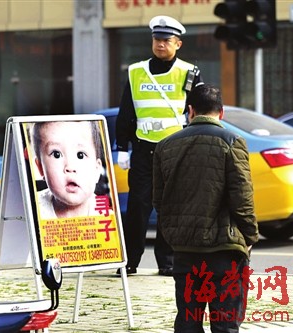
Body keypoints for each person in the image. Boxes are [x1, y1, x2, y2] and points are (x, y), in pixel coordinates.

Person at [153, 84, 258, 333]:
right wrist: (250, 236)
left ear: (190, 110)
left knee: (188, 322)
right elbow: (242, 199)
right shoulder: (233, 142)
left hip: (185, 251)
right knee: (225, 324)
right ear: (221, 113)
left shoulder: (165, 146)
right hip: (225, 251)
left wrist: (174, 235)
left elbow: (159, 201)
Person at [115, 15, 203, 276]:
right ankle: (129, 262)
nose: (160, 44)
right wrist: (121, 147)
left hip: (176, 150)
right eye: (157, 39)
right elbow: (126, 112)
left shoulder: (189, 72)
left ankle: (167, 263)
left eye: (166, 40)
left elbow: (196, 111)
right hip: (143, 150)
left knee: (171, 207)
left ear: (178, 44)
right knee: (138, 207)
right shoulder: (136, 71)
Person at [31, 121, 105, 219]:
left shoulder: (105, 215)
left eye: (80, 155)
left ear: (97, 169)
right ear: (40, 168)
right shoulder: (33, 210)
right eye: (56, 154)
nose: (70, 167)